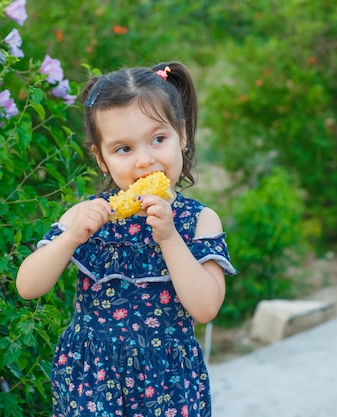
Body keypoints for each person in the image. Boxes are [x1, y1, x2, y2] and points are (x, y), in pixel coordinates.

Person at [16, 62, 237, 417]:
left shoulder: (199, 221)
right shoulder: (85, 216)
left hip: (167, 381)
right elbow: (27, 286)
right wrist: (70, 237)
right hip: (90, 379)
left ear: (181, 135)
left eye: (158, 139)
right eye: (123, 149)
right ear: (101, 159)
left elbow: (206, 307)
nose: (145, 160)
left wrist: (168, 237)